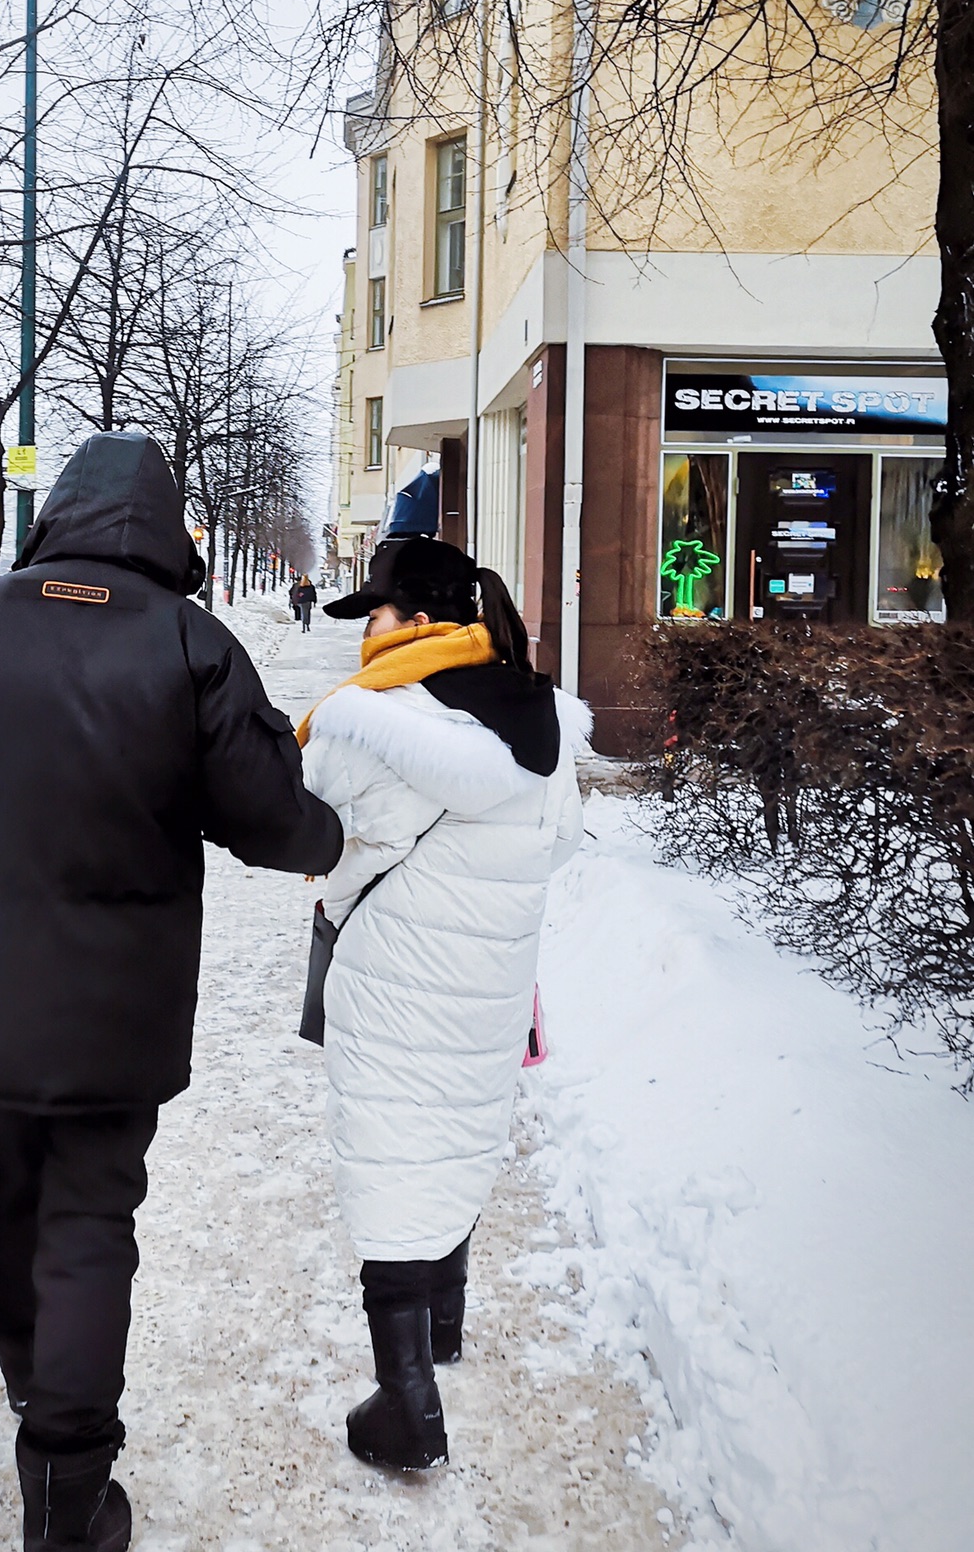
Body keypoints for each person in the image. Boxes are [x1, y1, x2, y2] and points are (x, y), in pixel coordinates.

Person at [0, 431, 342, 1552]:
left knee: (6, 1205)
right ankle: (67, 1491)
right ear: (166, 527)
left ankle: (34, 1385)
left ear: (59, 514)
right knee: (88, 1224)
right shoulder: (192, 643)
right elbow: (272, 822)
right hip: (118, 1016)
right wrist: (332, 830)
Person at [297, 536, 584, 1474]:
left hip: (396, 978)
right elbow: (559, 843)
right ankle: (444, 1328)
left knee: (389, 1158)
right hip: (485, 980)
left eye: (373, 615)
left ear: (418, 621)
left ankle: (406, 1406)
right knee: (453, 1136)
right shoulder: (530, 717)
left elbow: (328, 847)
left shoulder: (371, 722)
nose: (365, 636)